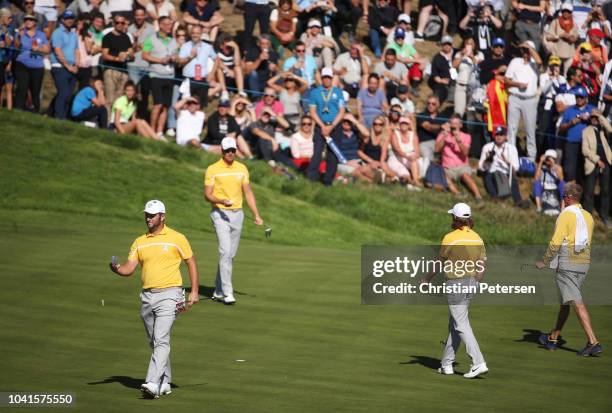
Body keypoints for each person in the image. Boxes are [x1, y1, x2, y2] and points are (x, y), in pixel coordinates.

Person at [109, 199, 200, 398]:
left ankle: (151, 382)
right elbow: (129, 269)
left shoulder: (177, 238)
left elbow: (191, 262)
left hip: (171, 294)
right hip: (147, 297)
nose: (148, 218)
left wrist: (194, 291)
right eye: (147, 215)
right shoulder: (139, 241)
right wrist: (116, 269)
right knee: (155, 342)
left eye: (152, 215)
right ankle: (165, 381)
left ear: (162, 216)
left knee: (161, 339)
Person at [421, 202, 488, 379]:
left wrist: (426, 279)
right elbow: (481, 266)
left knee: (461, 324)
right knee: (455, 325)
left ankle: (478, 362)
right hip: (471, 283)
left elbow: (438, 261)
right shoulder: (477, 238)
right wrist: (475, 283)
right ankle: (446, 364)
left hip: (455, 284)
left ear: (455, 218)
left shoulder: (450, 237)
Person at [535, 183, 602, 357]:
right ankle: (553, 338)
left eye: (563, 196)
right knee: (565, 301)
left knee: (575, 301)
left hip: (568, 263)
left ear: (569, 197)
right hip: (584, 262)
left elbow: (556, 241)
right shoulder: (588, 216)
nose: (562, 199)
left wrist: (546, 260)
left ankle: (593, 342)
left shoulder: (564, 216)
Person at [204, 137, 264, 305]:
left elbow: (248, 193)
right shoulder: (213, 169)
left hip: (238, 215)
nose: (230, 153)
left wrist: (256, 214)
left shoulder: (242, 168)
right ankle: (228, 292)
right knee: (225, 251)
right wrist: (222, 201)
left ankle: (218, 289)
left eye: (233, 150)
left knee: (230, 255)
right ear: (222, 151)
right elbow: (207, 195)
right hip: (219, 213)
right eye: (227, 150)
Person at [306, 66, 346, 185]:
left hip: (334, 127)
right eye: (325, 78)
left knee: (332, 154)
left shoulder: (338, 92)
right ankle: (311, 179)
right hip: (320, 126)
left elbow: (342, 111)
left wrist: (331, 126)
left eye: (329, 78)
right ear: (321, 78)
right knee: (317, 152)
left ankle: (328, 180)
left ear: (332, 78)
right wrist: (322, 126)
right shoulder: (315, 93)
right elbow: (312, 111)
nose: (327, 80)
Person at [505, 40, 541, 162]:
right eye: (524, 50)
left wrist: (529, 48)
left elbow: (540, 61)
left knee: (530, 130)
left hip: (529, 100)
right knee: (511, 128)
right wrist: (517, 84)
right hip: (514, 98)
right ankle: (511, 157)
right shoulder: (515, 62)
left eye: (528, 50)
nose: (525, 52)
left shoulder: (535, 64)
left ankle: (531, 159)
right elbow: (506, 80)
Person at [142, 16, 177, 139]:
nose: (169, 27)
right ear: (160, 25)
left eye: (170, 24)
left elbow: (176, 55)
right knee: (157, 105)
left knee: (166, 106)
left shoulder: (173, 40)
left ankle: (159, 132)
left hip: (170, 76)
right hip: (156, 75)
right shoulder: (150, 39)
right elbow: (144, 55)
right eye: (166, 24)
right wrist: (160, 60)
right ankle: (151, 132)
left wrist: (174, 58)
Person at [435, 114, 484, 203]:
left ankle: (478, 196)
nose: (453, 125)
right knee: (443, 175)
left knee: (465, 176)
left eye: (456, 123)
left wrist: (458, 140)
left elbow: (465, 153)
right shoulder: (443, 134)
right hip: (447, 167)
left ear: (460, 125)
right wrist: (444, 136)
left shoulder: (466, 136)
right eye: (451, 123)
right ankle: (457, 193)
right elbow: (437, 149)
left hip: (462, 166)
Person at [478, 126, 529, 207]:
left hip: (506, 172)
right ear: (494, 136)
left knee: (513, 177)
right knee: (487, 176)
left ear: (505, 136)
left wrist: (506, 161)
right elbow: (480, 167)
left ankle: (518, 201)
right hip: (492, 172)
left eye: (501, 134)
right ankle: (495, 198)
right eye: (497, 134)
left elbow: (516, 167)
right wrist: (487, 161)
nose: (499, 137)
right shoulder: (487, 147)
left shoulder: (511, 148)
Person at [558, 86, 596, 182]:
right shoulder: (569, 110)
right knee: (570, 172)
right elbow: (561, 127)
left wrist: (589, 117)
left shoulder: (591, 108)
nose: (579, 99)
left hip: (586, 145)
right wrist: (572, 122)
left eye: (581, 97)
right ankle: (570, 197)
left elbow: (598, 117)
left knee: (583, 172)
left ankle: (581, 196)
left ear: (586, 98)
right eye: (577, 97)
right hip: (571, 144)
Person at [177, 25, 221, 106]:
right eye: (193, 33)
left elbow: (217, 60)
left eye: (197, 33)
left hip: (202, 79)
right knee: (186, 105)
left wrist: (211, 74)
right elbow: (180, 62)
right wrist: (190, 57)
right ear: (190, 34)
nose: (195, 35)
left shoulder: (208, 47)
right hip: (189, 79)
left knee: (200, 106)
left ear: (201, 34)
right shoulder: (185, 46)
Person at [581, 110, 612, 227]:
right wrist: (597, 160)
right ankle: (587, 217)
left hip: (607, 162)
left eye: (596, 117)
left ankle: (604, 216)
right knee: (589, 190)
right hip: (592, 164)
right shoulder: (585, 131)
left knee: (605, 191)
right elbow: (585, 150)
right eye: (593, 117)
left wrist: (600, 116)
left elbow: (611, 129)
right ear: (589, 119)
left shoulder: (603, 130)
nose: (594, 119)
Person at [13, 14, 49, 113]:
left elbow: (47, 49)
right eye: (26, 20)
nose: (28, 21)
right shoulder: (20, 33)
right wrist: (19, 36)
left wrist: (39, 48)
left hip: (37, 66)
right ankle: (18, 110)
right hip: (22, 64)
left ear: (35, 22)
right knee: (22, 88)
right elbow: (16, 47)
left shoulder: (41, 34)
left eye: (31, 20)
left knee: (35, 91)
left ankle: (35, 112)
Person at [102, 14, 134, 118]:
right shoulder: (107, 37)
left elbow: (132, 54)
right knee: (110, 99)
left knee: (119, 99)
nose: (120, 25)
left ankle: (115, 122)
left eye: (122, 23)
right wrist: (117, 58)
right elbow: (105, 55)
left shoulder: (126, 37)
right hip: (111, 70)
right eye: (117, 22)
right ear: (113, 23)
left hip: (123, 72)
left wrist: (128, 55)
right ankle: (106, 124)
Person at [50, 9, 79, 120]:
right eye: (67, 18)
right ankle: (58, 118)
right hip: (60, 67)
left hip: (71, 68)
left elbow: (76, 50)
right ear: (62, 20)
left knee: (68, 95)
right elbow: (58, 51)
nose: (69, 20)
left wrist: (76, 65)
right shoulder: (57, 32)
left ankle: (63, 118)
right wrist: (68, 66)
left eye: (71, 18)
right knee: (64, 93)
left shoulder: (73, 34)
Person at [385, 115, 422, 189]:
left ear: (409, 125)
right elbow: (397, 149)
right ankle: (407, 180)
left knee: (415, 162)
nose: (404, 125)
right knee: (405, 174)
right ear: (399, 124)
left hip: (409, 158)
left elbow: (417, 150)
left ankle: (415, 180)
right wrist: (408, 157)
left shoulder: (413, 135)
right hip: (397, 158)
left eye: (406, 123)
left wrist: (415, 156)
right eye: (402, 123)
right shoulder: (395, 134)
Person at [543, 2, 578, 75]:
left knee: (567, 75)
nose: (566, 13)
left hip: (569, 54)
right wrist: (560, 36)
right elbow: (548, 37)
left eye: (568, 11)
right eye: (564, 11)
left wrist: (569, 37)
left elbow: (575, 38)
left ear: (571, 13)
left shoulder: (574, 24)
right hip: (556, 53)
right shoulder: (555, 22)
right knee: (553, 73)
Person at [533, 149, 565, 215]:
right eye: (547, 158)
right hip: (544, 188)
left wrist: (553, 165)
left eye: (550, 158)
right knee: (536, 183)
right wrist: (541, 162)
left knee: (563, 184)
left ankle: (562, 208)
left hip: (555, 189)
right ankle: (539, 207)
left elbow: (561, 178)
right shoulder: (541, 167)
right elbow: (536, 178)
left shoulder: (558, 168)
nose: (548, 161)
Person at [417, 95, 444, 162]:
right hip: (424, 143)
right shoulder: (422, 115)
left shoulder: (443, 117)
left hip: (440, 144)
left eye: (433, 104)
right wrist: (441, 127)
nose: (430, 105)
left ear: (438, 105)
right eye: (428, 103)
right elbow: (428, 127)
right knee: (428, 161)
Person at [428, 35, 454, 104]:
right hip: (442, 82)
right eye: (445, 44)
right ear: (442, 45)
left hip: (456, 81)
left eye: (449, 44)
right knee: (440, 91)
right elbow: (435, 75)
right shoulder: (437, 58)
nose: (447, 46)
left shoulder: (455, 54)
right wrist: (442, 81)